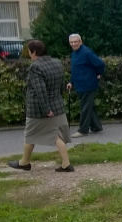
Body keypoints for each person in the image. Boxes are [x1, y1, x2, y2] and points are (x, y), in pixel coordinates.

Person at [8, 40, 74, 173]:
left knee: (30, 134)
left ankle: (25, 162)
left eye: (29, 52)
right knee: (56, 134)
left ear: (34, 52)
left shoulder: (35, 67)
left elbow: (40, 90)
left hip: (39, 110)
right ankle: (66, 164)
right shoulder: (56, 62)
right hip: (57, 105)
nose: (29, 55)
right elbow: (61, 84)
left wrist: (46, 109)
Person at [67, 34, 105, 138]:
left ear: (80, 41)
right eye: (71, 42)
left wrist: (99, 74)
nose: (74, 44)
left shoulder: (86, 52)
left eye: (76, 42)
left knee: (84, 107)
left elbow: (100, 64)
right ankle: (96, 127)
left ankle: (83, 130)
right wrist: (71, 82)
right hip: (80, 84)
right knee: (89, 106)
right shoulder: (75, 53)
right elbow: (76, 69)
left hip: (88, 84)